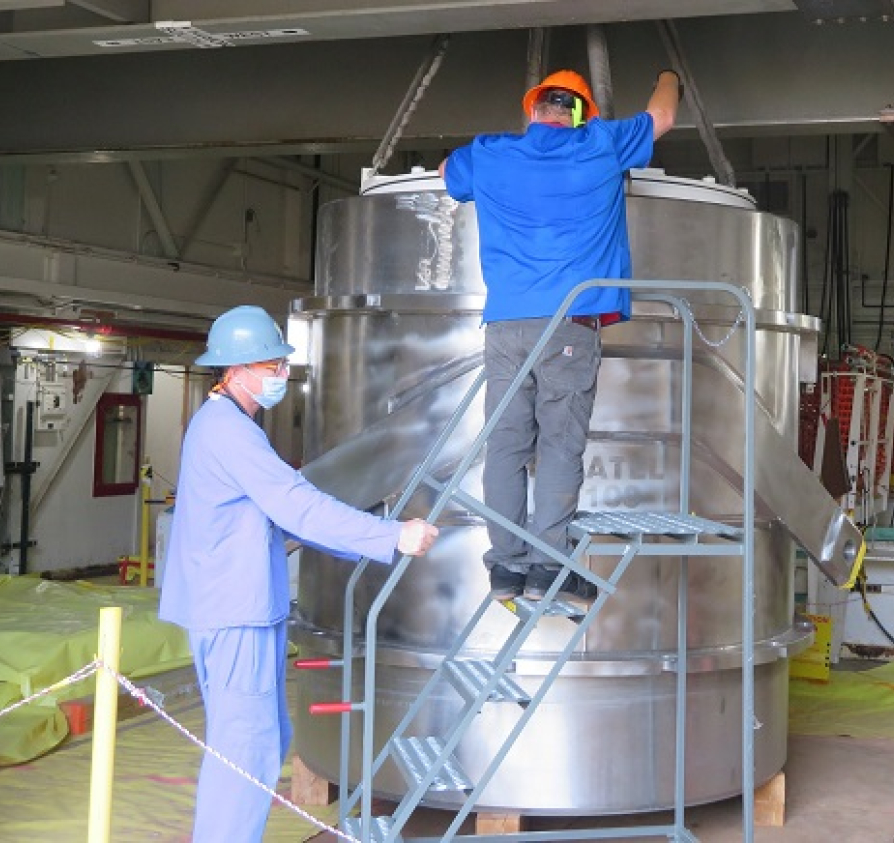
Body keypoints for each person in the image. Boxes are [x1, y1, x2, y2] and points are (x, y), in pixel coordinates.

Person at [158, 305, 438, 843]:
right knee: (245, 750)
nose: (281, 375)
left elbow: (278, 518)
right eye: (270, 365)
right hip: (233, 610)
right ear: (234, 369)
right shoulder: (228, 432)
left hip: (239, 605)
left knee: (261, 740)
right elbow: (295, 506)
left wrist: (375, 528)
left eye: (282, 364)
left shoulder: (228, 424)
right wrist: (391, 538)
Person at [440, 68, 680, 604]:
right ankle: (548, 569)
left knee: (504, 446)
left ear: (532, 111)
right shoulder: (599, 144)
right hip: (568, 326)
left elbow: (446, 173)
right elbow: (662, 115)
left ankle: (505, 568)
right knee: (557, 447)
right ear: (581, 113)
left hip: (504, 326)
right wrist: (668, 74)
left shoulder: (490, 152)